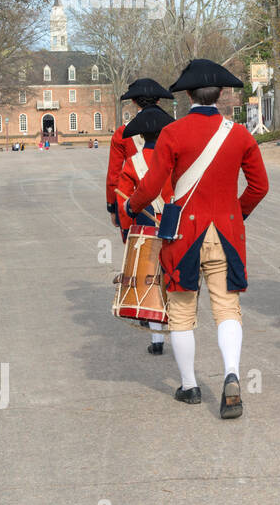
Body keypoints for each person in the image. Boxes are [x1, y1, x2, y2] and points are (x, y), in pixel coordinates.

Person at [124, 59, 269, 420]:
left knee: (182, 313)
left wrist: (132, 204)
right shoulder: (240, 134)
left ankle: (189, 386)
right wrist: (237, 212)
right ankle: (232, 374)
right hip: (226, 234)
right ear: (221, 94)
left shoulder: (173, 133)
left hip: (184, 235)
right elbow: (260, 186)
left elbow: (153, 184)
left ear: (188, 95)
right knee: (227, 308)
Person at [115, 105, 176, 355]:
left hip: (145, 225)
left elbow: (124, 201)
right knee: (172, 276)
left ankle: (157, 340)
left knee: (150, 279)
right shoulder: (174, 160)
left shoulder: (132, 163)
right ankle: (179, 326)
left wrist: (126, 230)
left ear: (141, 136)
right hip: (173, 224)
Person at [107, 78, 174, 239]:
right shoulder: (173, 128)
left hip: (140, 208)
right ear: (158, 100)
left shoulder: (122, 134)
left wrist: (114, 208)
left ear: (133, 101)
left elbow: (114, 176)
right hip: (172, 206)